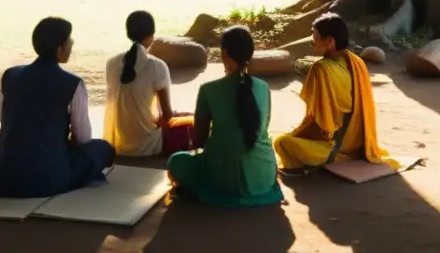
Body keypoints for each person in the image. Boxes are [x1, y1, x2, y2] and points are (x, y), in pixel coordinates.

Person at [0, 17, 114, 198]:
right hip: (46, 178)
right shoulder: (73, 83)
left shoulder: (11, 74)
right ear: (59, 48)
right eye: (69, 40)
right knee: (103, 149)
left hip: (0, 172)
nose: (72, 43)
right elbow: (83, 138)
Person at [167, 26, 283, 208]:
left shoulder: (209, 90)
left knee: (177, 161)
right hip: (264, 175)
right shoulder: (263, 87)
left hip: (223, 179)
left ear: (224, 54)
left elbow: (199, 140)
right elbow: (262, 129)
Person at [272, 13, 396, 171]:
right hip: (359, 143)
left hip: (335, 146)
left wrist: (299, 134)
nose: (312, 41)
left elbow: (322, 125)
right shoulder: (356, 61)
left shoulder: (321, 68)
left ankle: (329, 156)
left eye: (315, 37)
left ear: (330, 41)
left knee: (281, 142)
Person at [102, 10, 194, 157]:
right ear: (151, 36)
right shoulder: (156, 66)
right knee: (192, 121)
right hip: (147, 144)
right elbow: (167, 115)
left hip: (118, 141)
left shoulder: (111, 63)